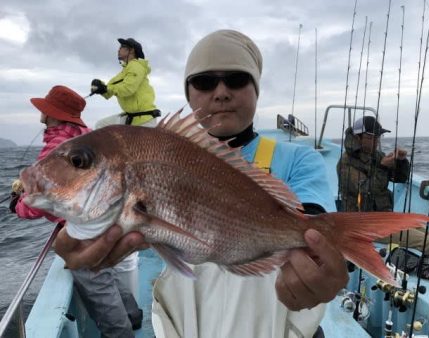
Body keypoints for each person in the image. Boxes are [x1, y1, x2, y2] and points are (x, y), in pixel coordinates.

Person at [52, 30, 349, 338]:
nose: (221, 92)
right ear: (188, 93)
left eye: (236, 79)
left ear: (256, 88)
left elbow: (313, 225)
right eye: (205, 82)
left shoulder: (300, 160)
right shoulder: (159, 155)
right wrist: (84, 234)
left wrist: (318, 265)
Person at [11, 85, 142, 338]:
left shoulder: (59, 148)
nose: (41, 115)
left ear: (51, 114)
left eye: (44, 110)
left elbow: (42, 197)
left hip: (81, 231)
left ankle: (122, 333)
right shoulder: (84, 138)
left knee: (98, 284)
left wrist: (17, 205)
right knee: (107, 271)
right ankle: (134, 317)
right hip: (101, 222)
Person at [337, 115, 429, 254]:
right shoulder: (345, 164)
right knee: (426, 242)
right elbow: (365, 190)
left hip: (383, 218)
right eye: (371, 137)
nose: (376, 141)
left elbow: (399, 178)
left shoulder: (375, 156)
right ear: (357, 138)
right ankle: (426, 272)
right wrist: (382, 168)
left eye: (378, 137)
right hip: (362, 225)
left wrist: (401, 162)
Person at [91, 37, 161, 129]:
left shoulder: (136, 66)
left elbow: (128, 89)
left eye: (122, 47)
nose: (118, 49)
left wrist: (106, 88)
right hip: (132, 118)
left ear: (131, 50)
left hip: (144, 120)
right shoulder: (125, 71)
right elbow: (110, 90)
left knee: (101, 127)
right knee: (101, 125)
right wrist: (100, 87)